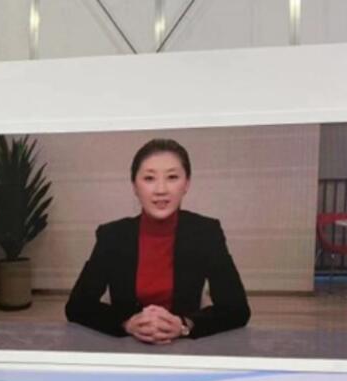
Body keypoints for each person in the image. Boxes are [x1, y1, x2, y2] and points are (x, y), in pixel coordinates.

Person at [65, 138, 250, 344]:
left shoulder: (206, 232)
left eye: (172, 177)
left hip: (184, 348)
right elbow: (77, 306)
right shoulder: (112, 236)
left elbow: (237, 309)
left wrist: (184, 324)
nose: (161, 189)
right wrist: (127, 323)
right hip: (127, 347)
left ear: (186, 184)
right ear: (135, 186)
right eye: (149, 178)